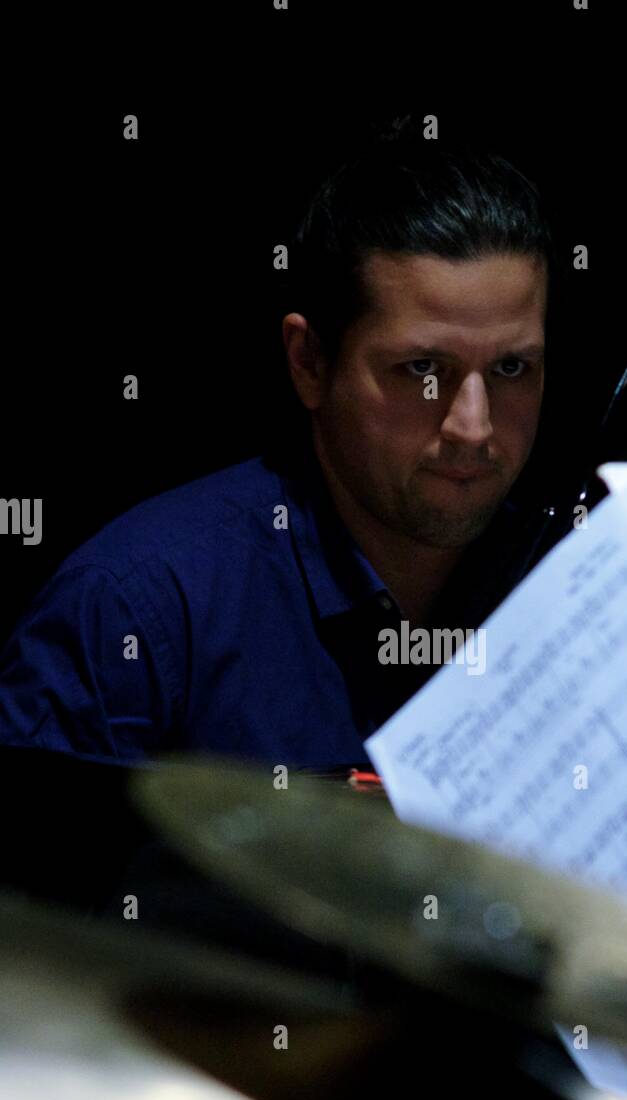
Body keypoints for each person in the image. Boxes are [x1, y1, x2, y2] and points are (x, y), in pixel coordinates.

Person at [0, 122, 553, 768]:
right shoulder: (132, 611)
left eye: (512, 370)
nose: (474, 426)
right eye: (423, 370)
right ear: (310, 363)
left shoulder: (576, 593)